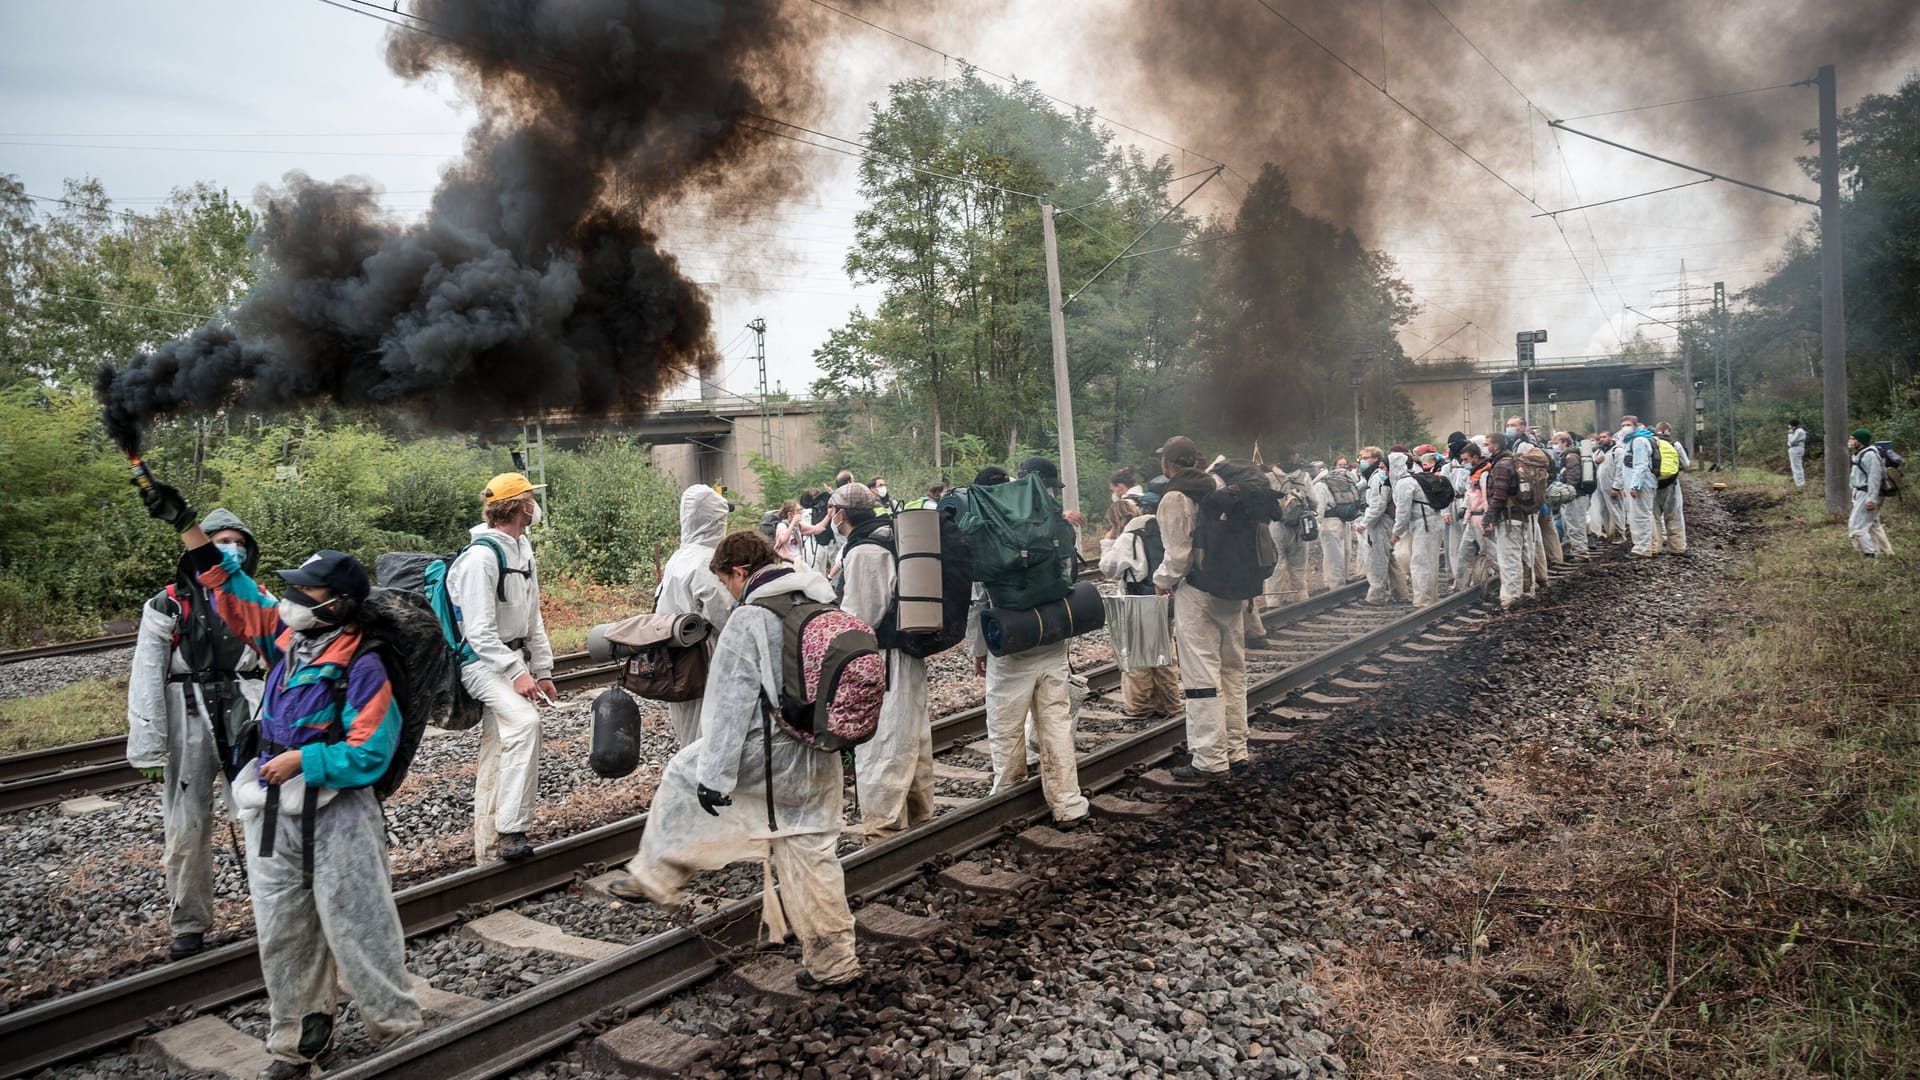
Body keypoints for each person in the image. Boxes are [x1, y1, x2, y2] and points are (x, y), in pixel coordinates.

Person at [136, 478, 421, 1078]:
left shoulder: (366, 662)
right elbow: (227, 583)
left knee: (360, 927)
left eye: (301, 590)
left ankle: (399, 1034)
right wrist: (186, 522)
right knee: (283, 933)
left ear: (336, 604)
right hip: (273, 817)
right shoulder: (287, 637)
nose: (286, 596)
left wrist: (305, 762)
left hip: (338, 817)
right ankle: (299, 1040)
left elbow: (370, 752)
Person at [607, 531, 861, 990]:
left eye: (725, 580)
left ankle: (656, 875)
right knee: (811, 851)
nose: (727, 590)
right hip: (821, 748)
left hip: (773, 752)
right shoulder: (823, 599)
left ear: (740, 572)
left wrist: (715, 777)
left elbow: (728, 707)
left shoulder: (751, 618)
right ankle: (834, 963)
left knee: (684, 772)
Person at [126, 508, 268, 961]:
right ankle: (189, 921)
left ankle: (274, 908)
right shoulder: (167, 603)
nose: (232, 549)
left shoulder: (257, 598)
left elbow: (280, 657)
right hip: (186, 712)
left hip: (247, 708)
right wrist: (148, 744)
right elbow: (147, 673)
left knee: (263, 814)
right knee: (185, 823)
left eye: (239, 542)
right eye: (221, 541)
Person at [967, 458, 1091, 827]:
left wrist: (978, 650)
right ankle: (1068, 802)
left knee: (1005, 724)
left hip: (1010, 641)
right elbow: (1067, 574)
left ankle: (1009, 800)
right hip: (1051, 635)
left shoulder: (987, 528)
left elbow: (978, 600)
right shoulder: (1050, 519)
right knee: (1055, 721)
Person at [448, 473, 558, 864]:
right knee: (526, 724)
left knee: (500, 749)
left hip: (513, 659)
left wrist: (542, 669)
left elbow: (533, 619)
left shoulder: (522, 551)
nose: (535, 505)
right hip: (480, 664)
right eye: (531, 497)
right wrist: (517, 673)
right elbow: (478, 632)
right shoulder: (480, 558)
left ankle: (488, 851)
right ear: (521, 506)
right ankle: (513, 829)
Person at [832, 482, 934, 840]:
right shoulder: (888, 535)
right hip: (905, 654)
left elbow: (863, 614)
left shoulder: (865, 552)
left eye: (832, 511)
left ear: (841, 514)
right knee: (912, 736)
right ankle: (919, 817)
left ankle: (884, 832)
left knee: (884, 744)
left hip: (884, 658)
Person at [1151, 436, 1249, 782]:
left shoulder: (1175, 496)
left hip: (1198, 591)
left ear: (1170, 463)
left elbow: (1179, 555)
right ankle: (1237, 751)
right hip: (1234, 589)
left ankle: (1209, 759)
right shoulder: (1219, 484)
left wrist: (1161, 579)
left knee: (1202, 676)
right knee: (1232, 670)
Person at [655, 484, 736, 747]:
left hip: (678, 661)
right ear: (715, 521)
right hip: (705, 662)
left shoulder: (679, 558)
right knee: (708, 737)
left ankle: (690, 782)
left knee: (688, 733)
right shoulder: (706, 564)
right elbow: (726, 617)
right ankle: (701, 785)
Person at [1100, 498, 1180, 719]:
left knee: (1137, 657)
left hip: (1138, 598)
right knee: (1164, 652)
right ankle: (1169, 704)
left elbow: (1109, 569)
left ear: (1116, 519)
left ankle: (1140, 706)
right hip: (1164, 597)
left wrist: (1108, 542)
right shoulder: (1159, 530)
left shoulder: (1128, 537)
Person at [1481, 433, 1532, 610]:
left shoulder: (1501, 466)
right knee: (1519, 557)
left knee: (1508, 559)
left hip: (1509, 518)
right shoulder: (1512, 462)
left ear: (1496, 446)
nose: (1486, 447)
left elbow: (1499, 495)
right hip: (1518, 516)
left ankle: (1511, 598)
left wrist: (1488, 518)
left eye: (1487, 444)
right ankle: (1524, 592)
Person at [1393, 447, 1446, 605]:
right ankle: (1431, 596)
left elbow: (1403, 511)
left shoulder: (1404, 483)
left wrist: (1397, 532)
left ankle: (1423, 600)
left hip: (1423, 523)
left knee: (1419, 562)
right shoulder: (1417, 478)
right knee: (1431, 561)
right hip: (1433, 520)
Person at [1352, 446, 1403, 604]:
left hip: (1380, 521)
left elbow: (1378, 504)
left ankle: (1376, 595)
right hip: (1383, 519)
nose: (1361, 461)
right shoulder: (1373, 476)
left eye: (1365, 458)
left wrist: (1365, 523)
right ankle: (1400, 593)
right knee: (1389, 557)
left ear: (1375, 459)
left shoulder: (1377, 477)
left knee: (1377, 557)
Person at [1263, 452, 1314, 608]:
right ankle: (1301, 599)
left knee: (1275, 565)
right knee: (1298, 566)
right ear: (1294, 456)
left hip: (1275, 525)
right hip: (1299, 526)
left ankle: (1272, 602)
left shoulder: (1268, 477)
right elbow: (1315, 500)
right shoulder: (1304, 476)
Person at [1617, 416, 1660, 558]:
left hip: (1642, 484)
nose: (1625, 427)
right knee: (1646, 515)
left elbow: (1640, 465)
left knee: (1640, 516)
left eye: (1628, 424)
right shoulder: (1630, 441)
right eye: (1623, 425)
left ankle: (1642, 548)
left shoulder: (1639, 441)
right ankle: (1652, 545)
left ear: (1635, 426)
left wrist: (1635, 486)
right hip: (1637, 483)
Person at [1651, 422, 1690, 555]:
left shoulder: (1649, 443)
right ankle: (1677, 547)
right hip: (1671, 484)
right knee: (1674, 515)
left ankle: (1655, 547)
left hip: (1653, 484)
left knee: (1654, 516)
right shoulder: (1675, 444)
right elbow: (1686, 463)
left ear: (1657, 430)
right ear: (1668, 430)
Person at [1310, 460, 1349, 592]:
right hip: (1340, 521)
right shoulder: (1333, 480)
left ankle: (1335, 587)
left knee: (1333, 557)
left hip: (1329, 523)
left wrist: (1314, 527)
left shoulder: (1320, 485)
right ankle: (1336, 582)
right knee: (1339, 554)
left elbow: (1319, 509)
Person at [1848, 429, 1886, 558]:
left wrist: (1871, 499)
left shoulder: (1870, 456)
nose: (1850, 441)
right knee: (1873, 525)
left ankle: (1870, 554)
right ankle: (1886, 552)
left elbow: (1874, 478)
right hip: (1860, 493)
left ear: (1861, 441)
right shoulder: (1859, 454)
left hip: (1867, 494)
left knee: (1857, 526)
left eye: (1853, 439)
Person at [1787, 420, 1808, 488]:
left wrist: (1790, 434)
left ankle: (1800, 484)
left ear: (1792, 425)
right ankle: (1798, 482)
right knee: (1795, 466)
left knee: (1797, 467)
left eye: (1790, 426)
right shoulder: (1798, 430)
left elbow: (1791, 441)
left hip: (1796, 449)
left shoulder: (1799, 431)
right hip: (1796, 448)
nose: (1789, 427)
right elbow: (1789, 443)